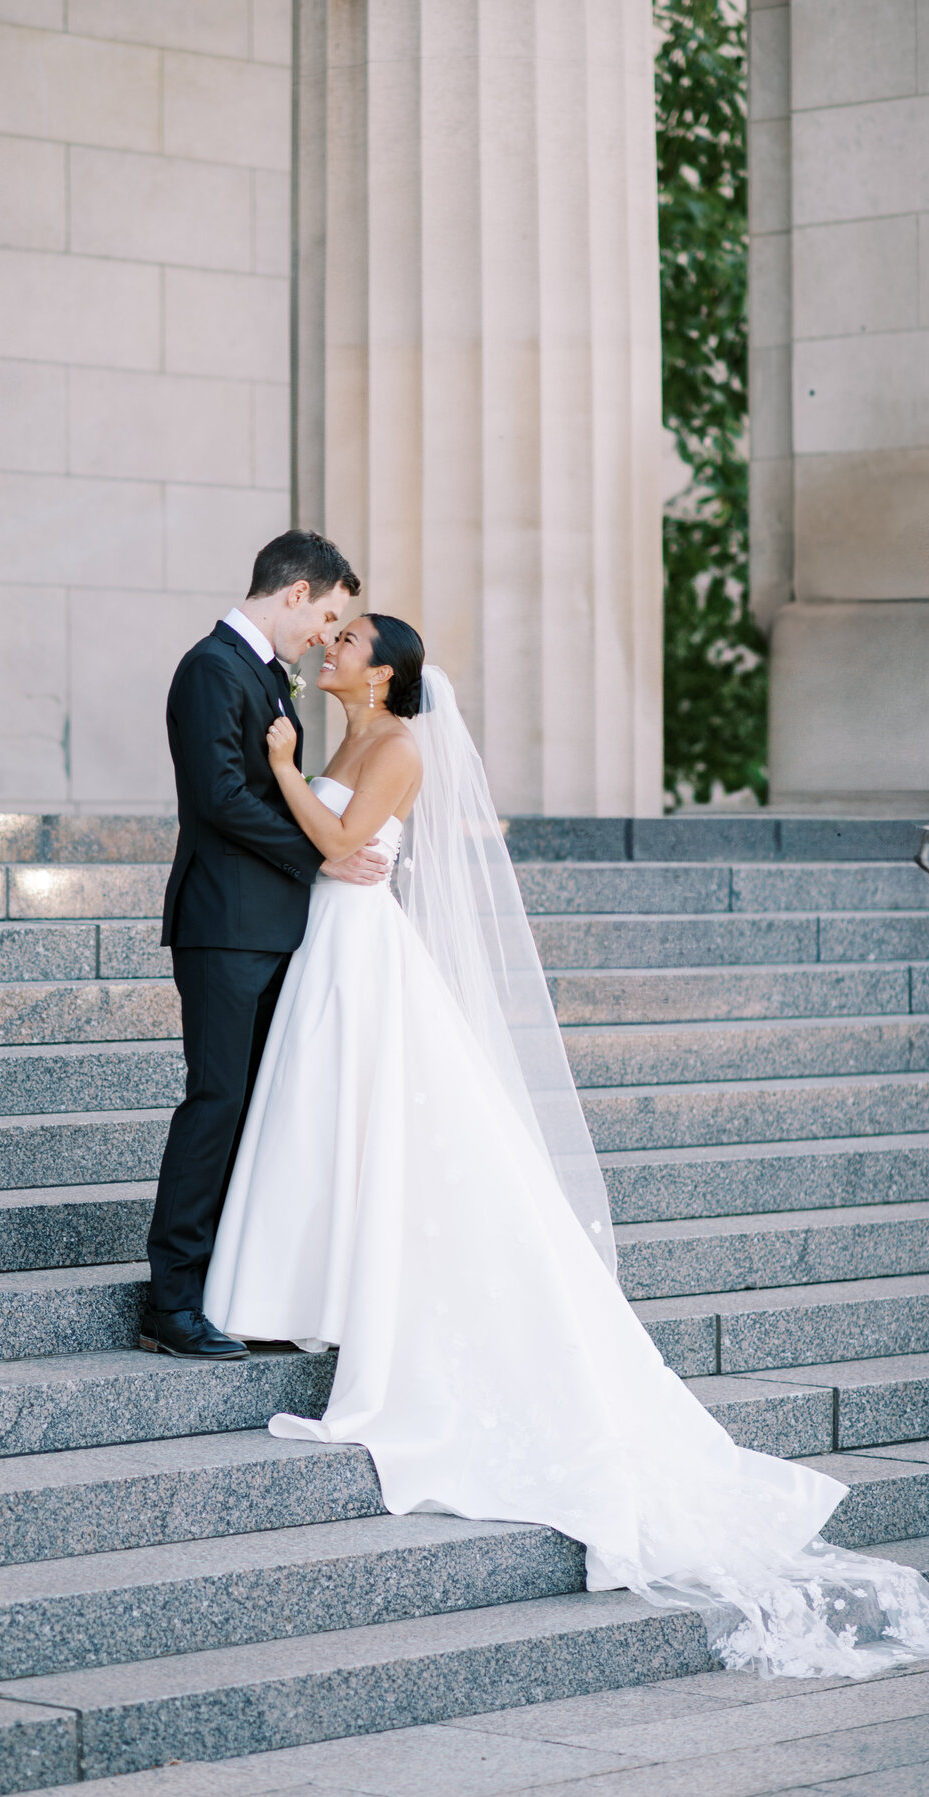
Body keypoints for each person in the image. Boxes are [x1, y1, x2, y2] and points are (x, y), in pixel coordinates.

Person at [203, 612, 929, 1679]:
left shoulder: (395, 746)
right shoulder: (343, 738)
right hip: (331, 946)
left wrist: (278, 769)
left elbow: (346, 850)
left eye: (351, 638)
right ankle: (304, 1290)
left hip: (364, 949)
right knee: (325, 1128)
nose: (334, 647)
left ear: (388, 669)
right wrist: (294, 769)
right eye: (337, 633)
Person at [140, 531, 389, 1362]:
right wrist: (320, 852)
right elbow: (217, 799)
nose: (326, 633)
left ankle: (225, 1285)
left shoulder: (264, 677)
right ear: (294, 592)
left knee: (250, 1109)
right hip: (224, 930)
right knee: (215, 1103)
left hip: (272, 928)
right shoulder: (211, 669)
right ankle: (171, 1302)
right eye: (325, 614)